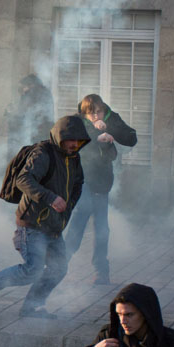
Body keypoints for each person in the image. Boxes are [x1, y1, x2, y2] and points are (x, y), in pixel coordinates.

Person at [0, 114, 91, 318]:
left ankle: (32, 307)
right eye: (71, 139)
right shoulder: (44, 153)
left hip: (53, 227)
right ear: (60, 136)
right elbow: (23, 179)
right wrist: (51, 198)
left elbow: (78, 183)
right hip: (32, 224)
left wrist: (69, 205)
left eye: (78, 141)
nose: (74, 144)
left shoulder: (74, 158)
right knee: (32, 269)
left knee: (58, 269)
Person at [65, 95, 138, 286]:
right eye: (91, 112)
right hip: (81, 180)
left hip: (102, 181)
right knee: (79, 221)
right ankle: (61, 262)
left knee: (102, 228)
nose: (96, 115)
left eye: (99, 111)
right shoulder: (78, 122)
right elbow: (70, 145)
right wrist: (95, 137)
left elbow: (131, 138)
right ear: (84, 112)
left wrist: (111, 132)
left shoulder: (112, 118)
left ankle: (101, 271)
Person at [3, 73, 54, 149]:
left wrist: (10, 113)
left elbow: (21, 112)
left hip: (35, 132)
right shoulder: (45, 92)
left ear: (30, 85)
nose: (23, 90)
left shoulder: (32, 94)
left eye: (23, 87)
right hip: (44, 131)